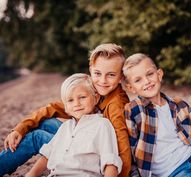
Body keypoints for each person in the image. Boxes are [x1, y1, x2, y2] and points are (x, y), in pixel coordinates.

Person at [0, 43, 131, 176]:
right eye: (97, 73)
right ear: (91, 70)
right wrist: (21, 128)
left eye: (111, 75)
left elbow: (122, 147)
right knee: (46, 123)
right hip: (86, 133)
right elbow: (55, 108)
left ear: (121, 77)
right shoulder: (94, 88)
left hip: (92, 149)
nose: (102, 80)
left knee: (36, 137)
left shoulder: (116, 105)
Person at [123, 53, 191, 177]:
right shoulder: (134, 110)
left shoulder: (179, 104)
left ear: (159, 74)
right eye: (138, 80)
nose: (147, 81)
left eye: (150, 74)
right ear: (130, 88)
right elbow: (130, 151)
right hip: (173, 172)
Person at [25, 73, 122, 177]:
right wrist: (31, 174)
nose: (76, 103)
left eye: (82, 97)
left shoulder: (102, 124)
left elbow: (110, 161)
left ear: (96, 98)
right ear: (65, 106)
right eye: (70, 100)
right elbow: (47, 156)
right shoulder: (65, 127)